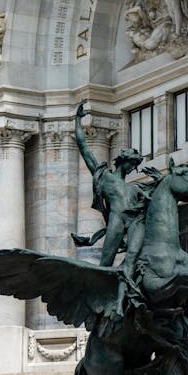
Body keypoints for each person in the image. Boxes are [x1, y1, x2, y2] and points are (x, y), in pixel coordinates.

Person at [72, 100, 149, 313]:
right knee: (105, 263)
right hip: (116, 220)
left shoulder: (134, 190)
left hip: (133, 222)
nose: (134, 168)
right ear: (123, 161)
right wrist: (78, 121)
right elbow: (84, 148)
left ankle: (129, 293)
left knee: (134, 256)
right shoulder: (104, 176)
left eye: (135, 165)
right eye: (132, 164)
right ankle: (95, 298)